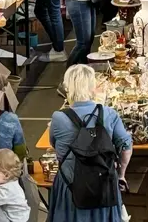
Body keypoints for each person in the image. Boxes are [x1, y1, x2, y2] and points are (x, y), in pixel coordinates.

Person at [47, 65, 135, 222]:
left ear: (68, 87)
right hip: (104, 184)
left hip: (70, 186)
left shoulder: (59, 118)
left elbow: (54, 144)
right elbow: (126, 146)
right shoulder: (109, 114)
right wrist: (120, 174)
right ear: (92, 87)